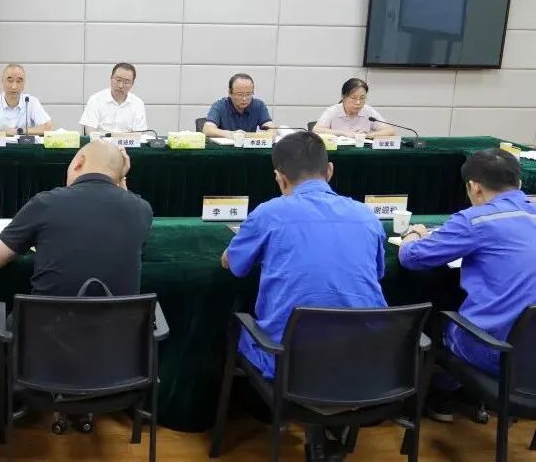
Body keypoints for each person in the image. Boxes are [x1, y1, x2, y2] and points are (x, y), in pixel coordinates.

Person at [222, 131, 387, 461]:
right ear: (329, 171)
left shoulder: (269, 213)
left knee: (240, 327)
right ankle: (332, 428)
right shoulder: (368, 216)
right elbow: (378, 273)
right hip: (368, 366)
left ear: (279, 178)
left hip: (291, 367)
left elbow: (233, 264)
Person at [399, 149, 536, 421]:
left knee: (437, 318)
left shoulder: (477, 220)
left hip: (498, 354)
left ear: (474, 187)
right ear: (519, 183)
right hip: (530, 358)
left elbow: (411, 258)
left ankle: (440, 396)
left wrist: (414, 233)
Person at [0, 140, 152, 296]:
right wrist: (119, 178)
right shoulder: (142, 209)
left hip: (47, 322)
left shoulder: (46, 203)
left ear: (79, 162)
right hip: (119, 323)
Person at [312, 78, 395, 139]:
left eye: (362, 98)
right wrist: (344, 133)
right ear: (344, 97)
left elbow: (390, 130)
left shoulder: (368, 111)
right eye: (353, 98)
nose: (358, 102)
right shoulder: (333, 111)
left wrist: (367, 135)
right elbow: (316, 130)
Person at [79, 63, 148, 134]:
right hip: (100, 140)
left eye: (126, 82)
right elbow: (90, 131)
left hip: (128, 141)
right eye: (118, 80)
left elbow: (139, 134)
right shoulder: (95, 100)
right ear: (111, 78)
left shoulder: (138, 103)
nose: (121, 86)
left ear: (132, 84)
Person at [202, 73, 274, 138]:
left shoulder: (258, 106)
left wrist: (269, 134)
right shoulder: (219, 106)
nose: (244, 99)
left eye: (248, 94)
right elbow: (207, 129)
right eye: (240, 94)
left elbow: (271, 128)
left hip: (249, 148)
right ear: (230, 93)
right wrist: (229, 134)